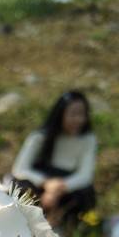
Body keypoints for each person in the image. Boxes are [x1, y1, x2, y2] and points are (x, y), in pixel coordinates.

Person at [12, 91, 97, 226]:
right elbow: (19, 169)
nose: (78, 120)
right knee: (21, 188)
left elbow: (85, 175)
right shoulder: (39, 137)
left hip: (66, 186)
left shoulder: (88, 140)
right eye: (73, 114)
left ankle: (66, 225)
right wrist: (46, 183)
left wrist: (58, 189)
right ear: (60, 114)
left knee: (85, 194)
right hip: (40, 183)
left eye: (82, 114)